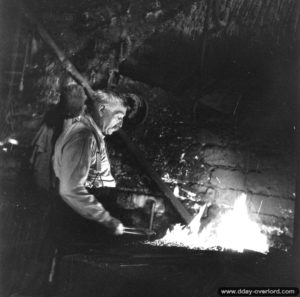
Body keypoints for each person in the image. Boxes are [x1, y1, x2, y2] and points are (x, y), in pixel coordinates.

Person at [52, 85, 163, 237]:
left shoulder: (95, 137)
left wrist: (136, 200)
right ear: (102, 109)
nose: (121, 124)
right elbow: (70, 190)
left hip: (86, 220)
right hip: (74, 223)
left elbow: (103, 185)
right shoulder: (83, 137)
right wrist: (107, 220)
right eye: (118, 117)